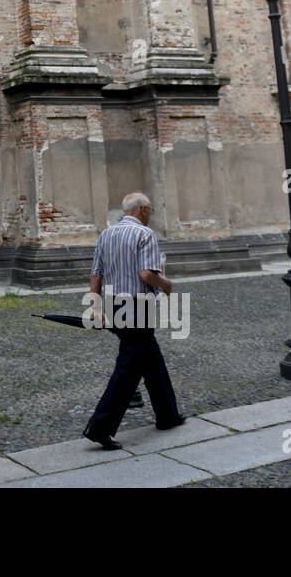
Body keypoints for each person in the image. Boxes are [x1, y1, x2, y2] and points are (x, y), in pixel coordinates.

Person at [82, 191, 186, 450]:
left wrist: (95, 307)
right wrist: (168, 284)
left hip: (113, 303)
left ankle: (167, 415)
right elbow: (147, 274)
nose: (150, 214)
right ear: (143, 210)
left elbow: (96, 274)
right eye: (149, 210)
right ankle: (100, 428)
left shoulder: (106, 234)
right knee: (128, 367)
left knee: (151, 360)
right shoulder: (144, 234)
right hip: (138, 306)